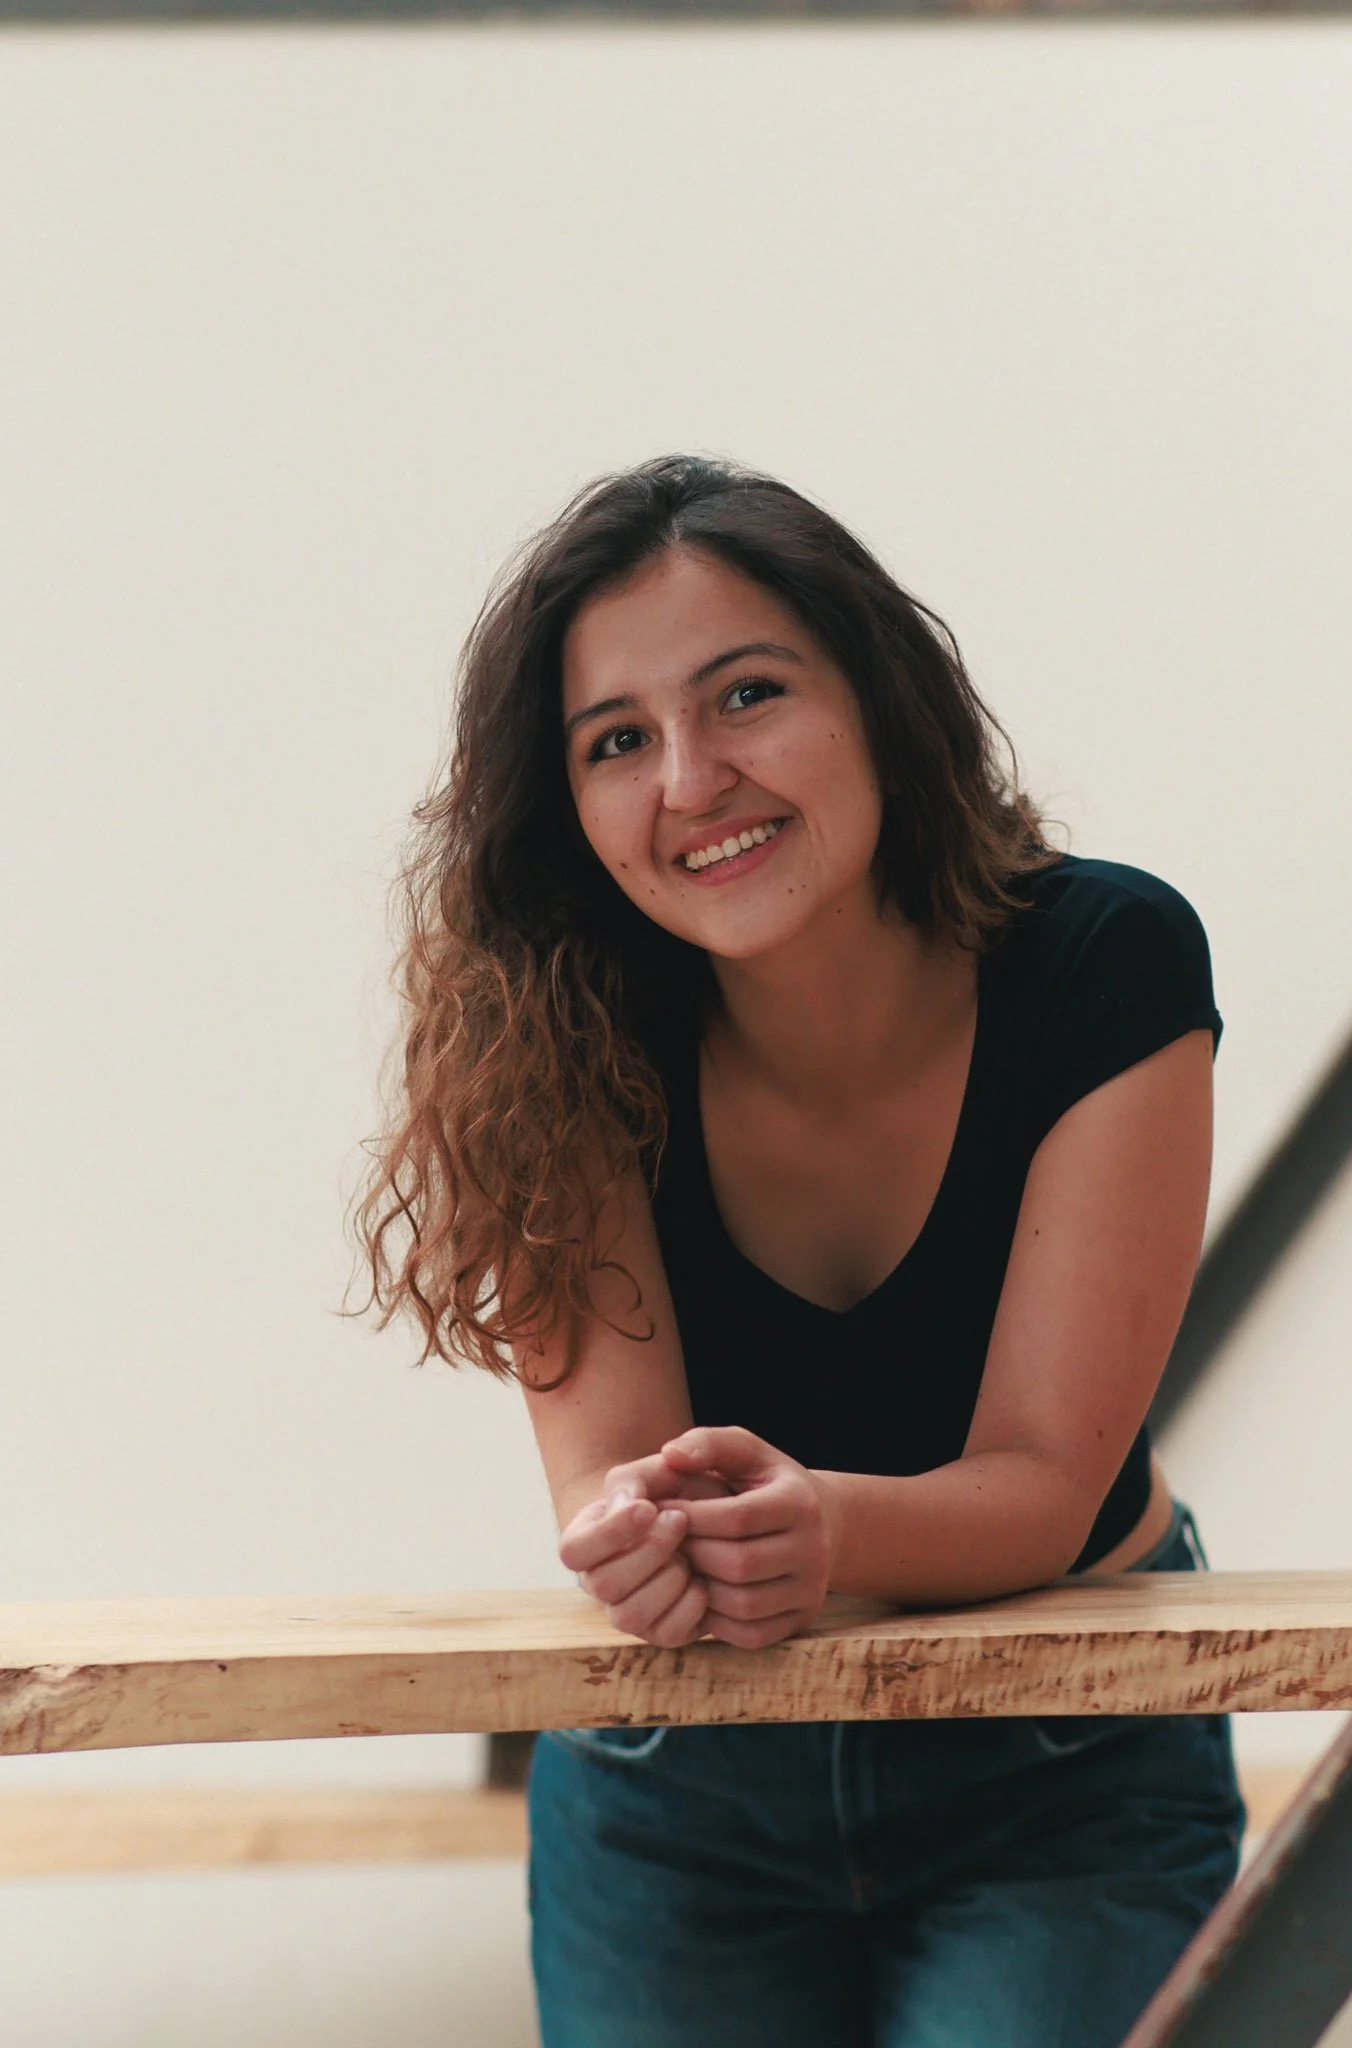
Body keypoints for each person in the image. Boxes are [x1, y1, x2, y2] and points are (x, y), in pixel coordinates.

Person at [352, 454, 1245, 2048]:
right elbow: (615, 1474)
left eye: (745, 695)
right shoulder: (559, 1029)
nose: (691, 779)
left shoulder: (1105, 964)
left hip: (1060, 1767)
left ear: (882, 699)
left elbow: (1044, 1478)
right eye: (618, 742)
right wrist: (623, 1526)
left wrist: (815, 1526)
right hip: (676, 1779)